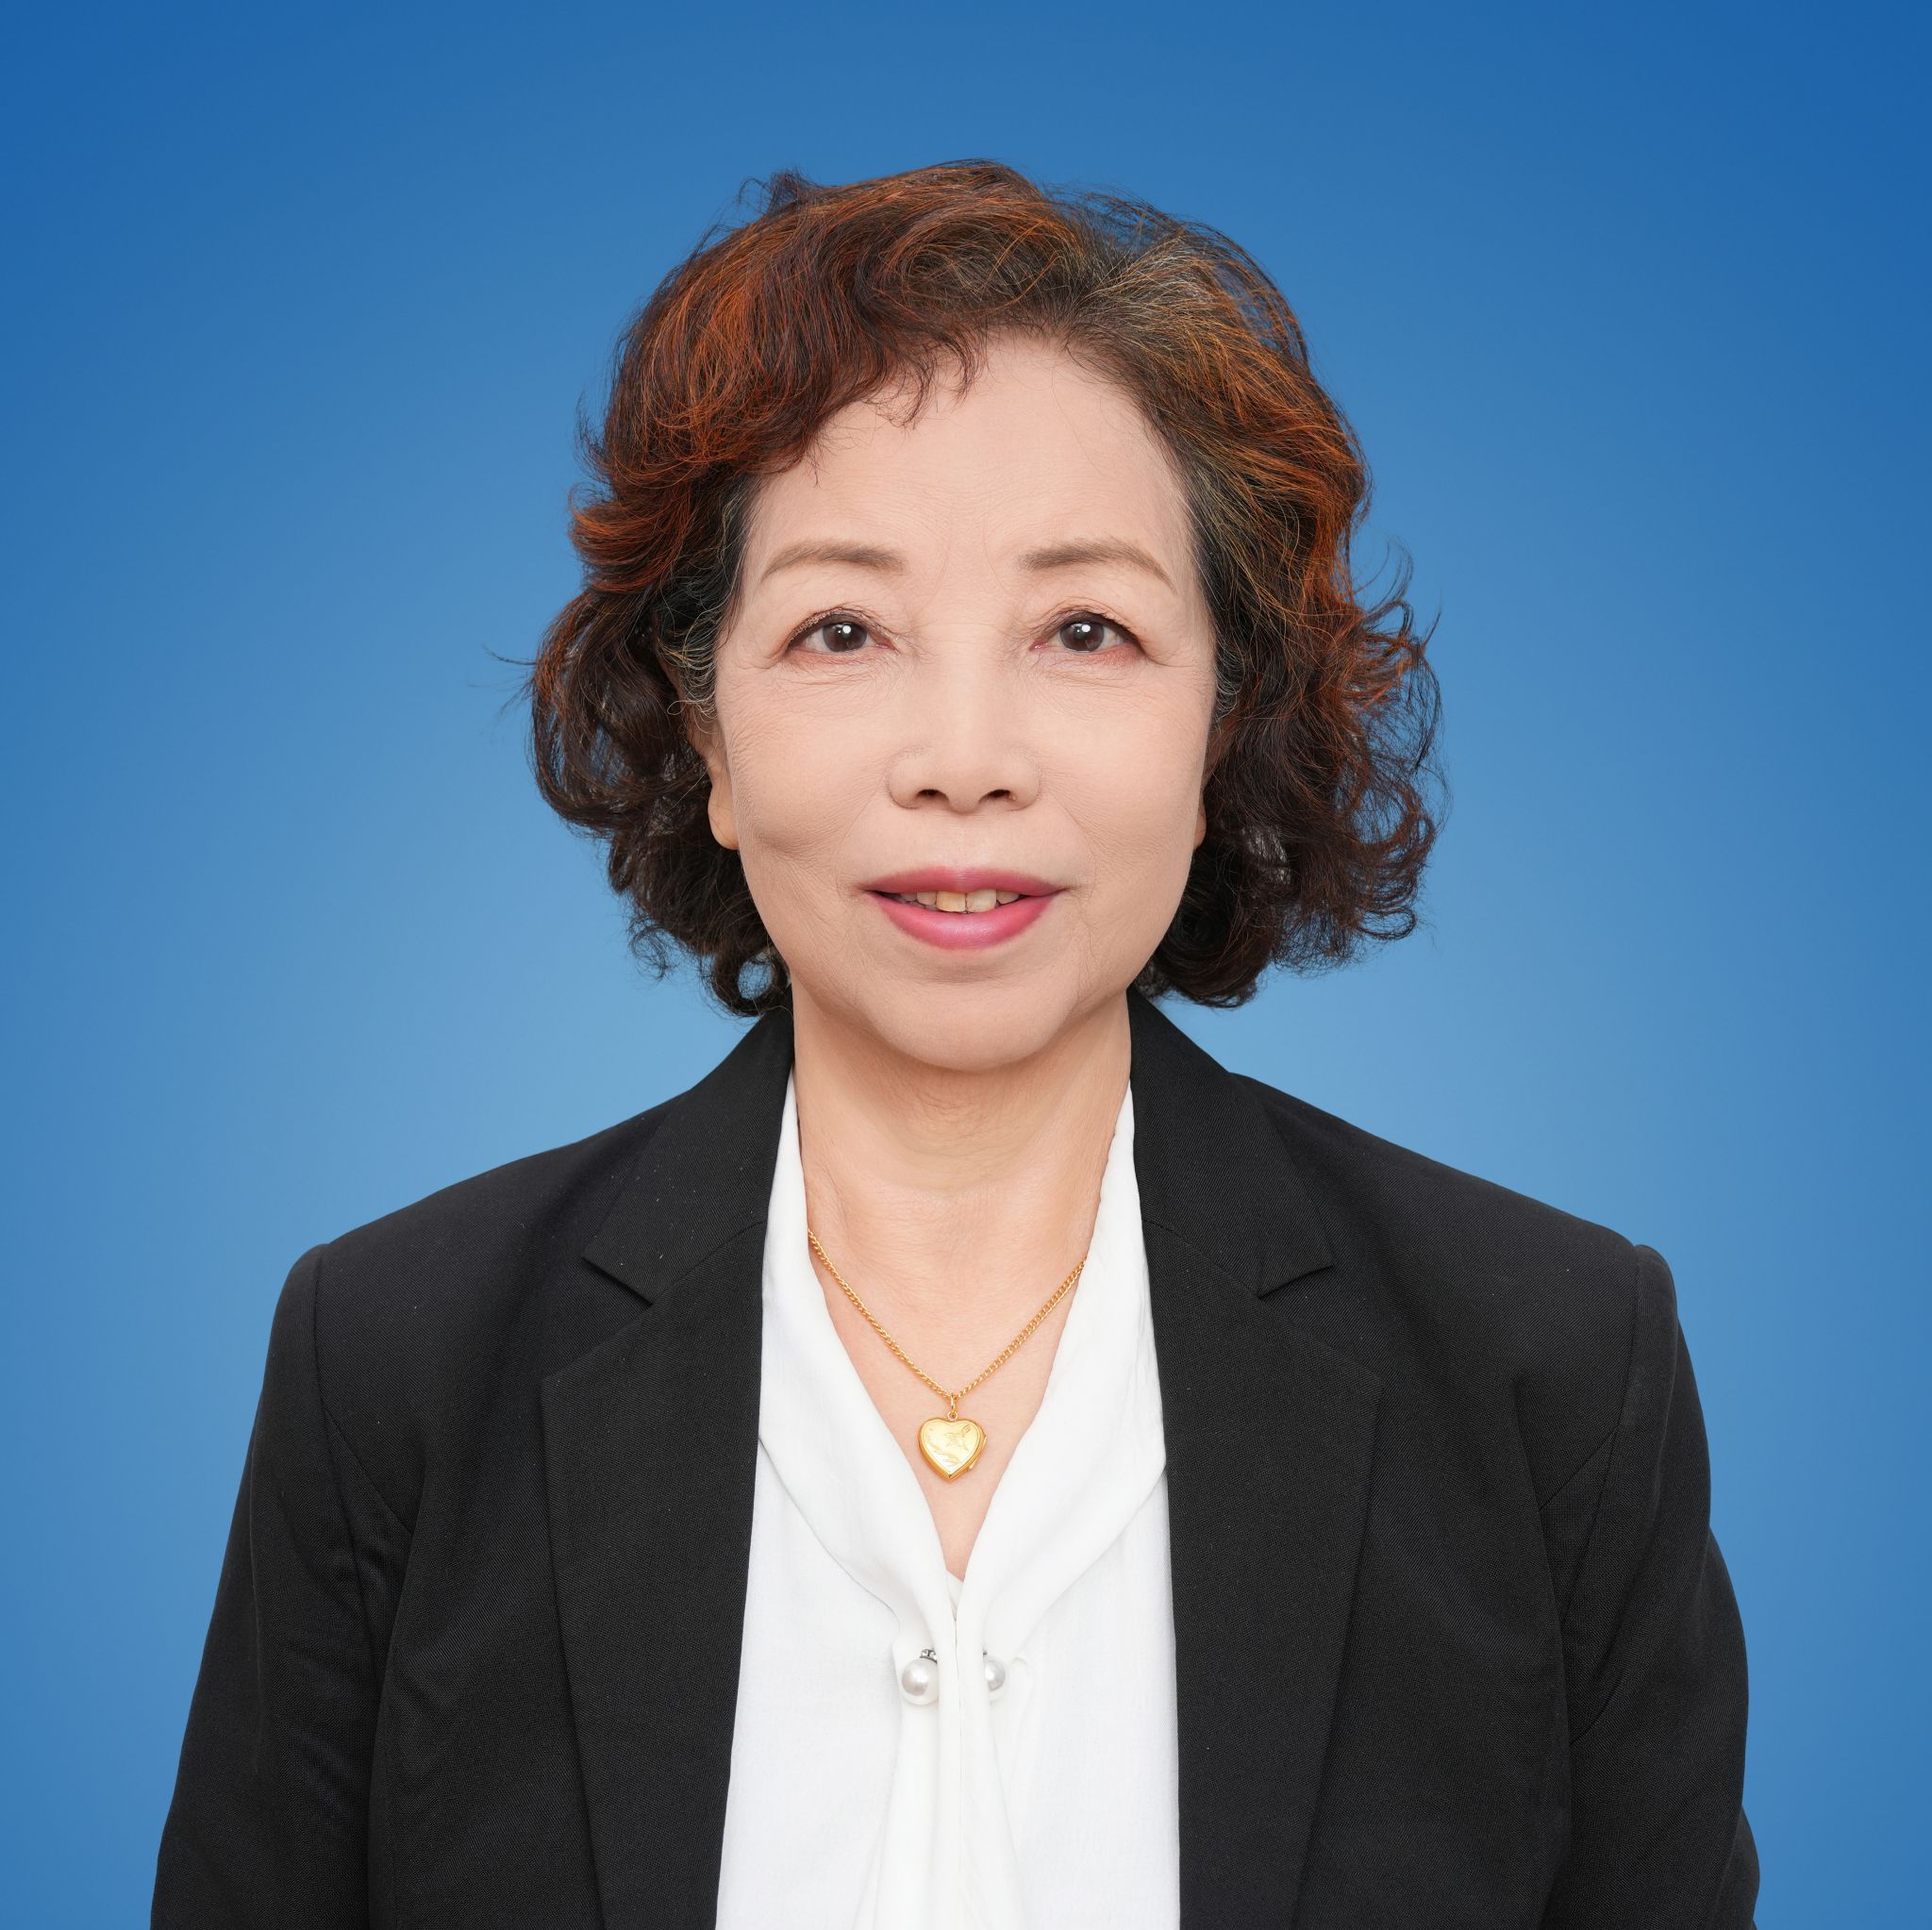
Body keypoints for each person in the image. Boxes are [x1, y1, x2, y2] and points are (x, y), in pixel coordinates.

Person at [152, 160, 1758, 1929]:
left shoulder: (1553, 1371)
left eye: (1086, 630)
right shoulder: (396, 1363)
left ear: (1222, 721)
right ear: (709, 728)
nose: (966, 758)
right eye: (842, 629)